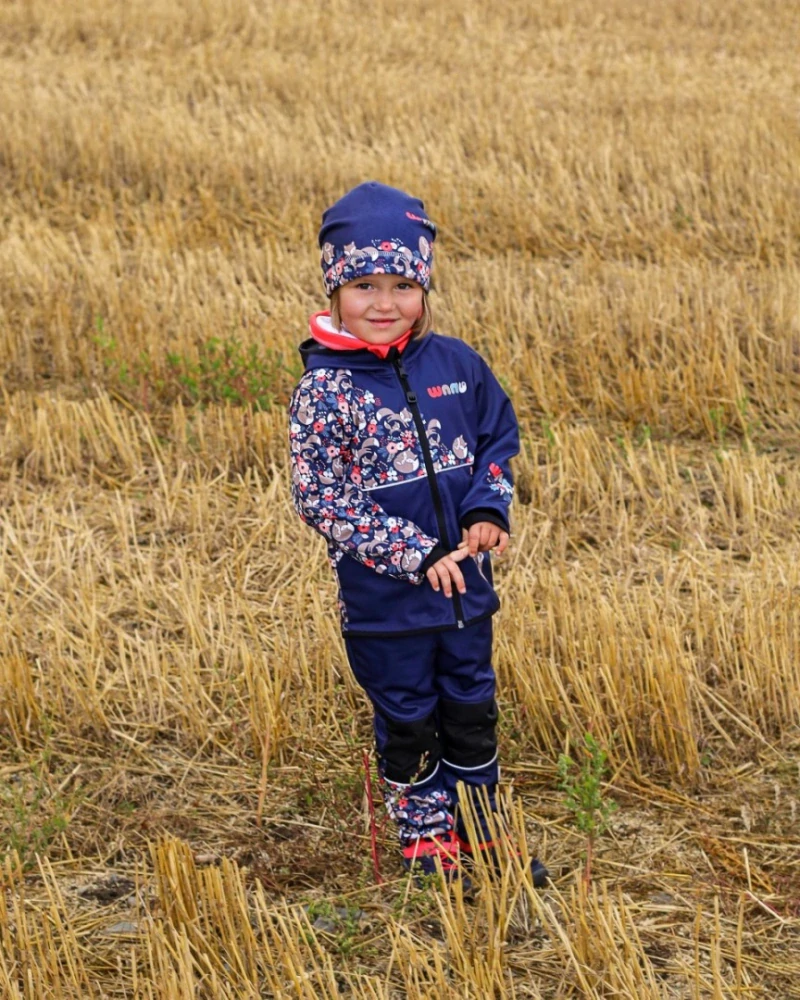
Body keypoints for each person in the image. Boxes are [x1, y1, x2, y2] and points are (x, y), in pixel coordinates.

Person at [289, 181, 548, 887]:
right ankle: (427, 838)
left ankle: (483, 827)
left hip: (468, 592)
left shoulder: (458, 366)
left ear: (425, 285)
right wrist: (415, 553)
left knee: (471, 705)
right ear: (335, 288)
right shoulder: (325, 391)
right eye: (363, 284)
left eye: (403, 283)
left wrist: (488, 510)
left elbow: (499, 438)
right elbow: (319, 497)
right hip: (385, 609)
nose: (383, 302)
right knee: (409, 718)